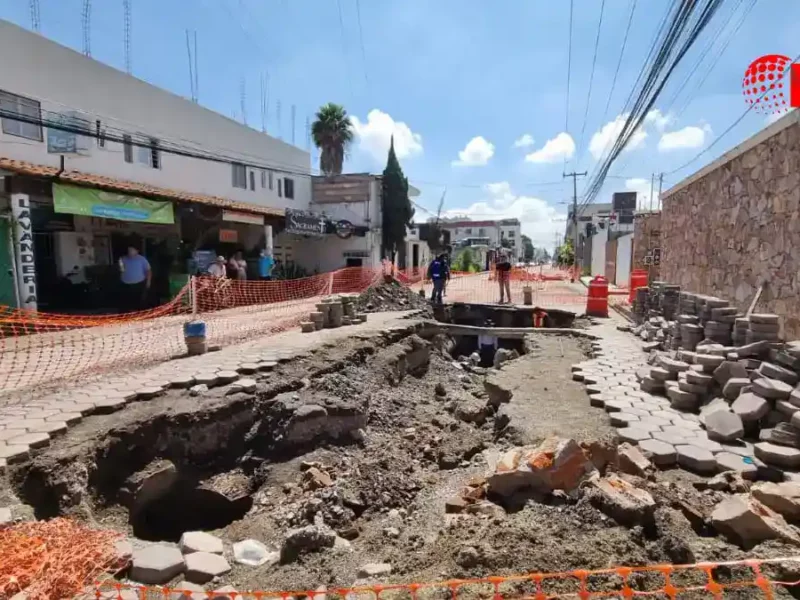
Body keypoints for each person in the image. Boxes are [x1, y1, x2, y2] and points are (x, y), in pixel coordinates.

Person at [119, 245, 151, 312]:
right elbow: (121, 270)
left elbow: (148, 270)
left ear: (137, 251)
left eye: (131, 250)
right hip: (125, 284)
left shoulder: (142, 259)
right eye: (129, 250)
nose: (130, 252)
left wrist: (148, 281)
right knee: (126, 303)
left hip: (138, 284)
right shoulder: (123, 259)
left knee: (139, 302)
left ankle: (139, 316)